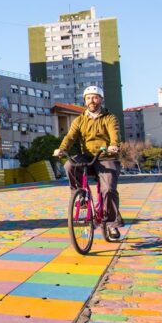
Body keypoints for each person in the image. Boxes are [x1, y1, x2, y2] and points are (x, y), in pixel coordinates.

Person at [54, 85, 123, 240]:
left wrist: (113, 146)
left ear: (101, 99)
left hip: (106, 157)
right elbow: (70, 136)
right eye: (88, 98)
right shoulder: (80, 120)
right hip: (87, 156)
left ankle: (111, 224)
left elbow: (115, 133)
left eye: (95, 97)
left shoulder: (109, 117)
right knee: (69, 164)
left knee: (108, 190)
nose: (92, 100)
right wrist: (61, 149)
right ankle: (78, 194)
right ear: (85, 100)